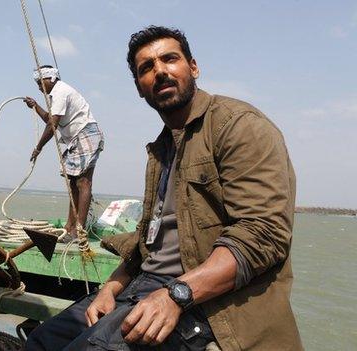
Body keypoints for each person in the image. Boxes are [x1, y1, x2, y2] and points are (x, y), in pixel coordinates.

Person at [25, 26, 302, 350]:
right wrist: (110, 287)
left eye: (169, 59)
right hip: (142, 287)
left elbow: (263, 234)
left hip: (208, 303)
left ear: (193, 67)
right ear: (140, 88)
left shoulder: (238, 126)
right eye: (146, 68)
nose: (159, 71)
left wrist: (176, 294)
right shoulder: (160, 151)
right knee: (41, 341)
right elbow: (149, 242)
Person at [24, 66, 104, 241]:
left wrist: (38, 147)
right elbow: (50, 119)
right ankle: (69, 227)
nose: (39, 87)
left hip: (85, 135)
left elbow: (52, 125)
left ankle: (78, 231)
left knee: (83, 182)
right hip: (77, 137)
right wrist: (36, 105)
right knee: (74, 182)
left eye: (40, 82)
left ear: (51, 78)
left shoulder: (60, 92)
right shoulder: (56, 95)